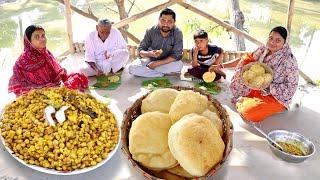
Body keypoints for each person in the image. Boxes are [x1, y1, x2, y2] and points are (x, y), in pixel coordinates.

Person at [211, 26, 299, 122]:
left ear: (285, 42)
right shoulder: (263, 49)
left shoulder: (289, 61)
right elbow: (244, 59)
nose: (272, 42)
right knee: (246, 62)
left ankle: (245, 102)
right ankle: (245, 100)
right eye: (271, 38)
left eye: (278, 40)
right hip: (256, 88)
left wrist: (269, 86)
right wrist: (221, 66)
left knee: (249, 113)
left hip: (274, 96)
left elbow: (291, 87)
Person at [8, 25, 88, 96]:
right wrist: (47, 89)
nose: (42, 39)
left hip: (53, 87)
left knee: (78, 74)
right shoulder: (23, 60)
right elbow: (21, 86)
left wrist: (62, 80)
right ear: (29, 41)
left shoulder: (45, 52)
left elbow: (57, 71)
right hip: (34, 93)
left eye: (43, 35)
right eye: (37, 37)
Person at [129, 8, 183, 77]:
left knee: (179, 65)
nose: (166, 24)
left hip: (167, 61)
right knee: (132, 68)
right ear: (158, 20)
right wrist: (149, 54)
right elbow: (140, 50)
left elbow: (176, 55)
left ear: (174, 22)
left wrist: (156, 63)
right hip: (150, 59)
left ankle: (148, 73)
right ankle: (161, 74)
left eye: (169, 21)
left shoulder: (178, 33)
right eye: (163, 20)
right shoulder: (151, 30)